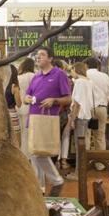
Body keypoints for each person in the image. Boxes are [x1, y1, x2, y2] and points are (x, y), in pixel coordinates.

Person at [24, 46, 71, 197]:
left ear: (50, 58)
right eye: (37, 55)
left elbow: (68, 99)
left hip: (47, 119)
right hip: (33, 119)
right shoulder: (36, 76)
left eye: (42, 55)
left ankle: (56, 180)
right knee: (33, 152)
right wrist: (27, 99)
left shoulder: (59, 74)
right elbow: (26, 96)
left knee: (40, 153)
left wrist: (54, 100)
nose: (38, 58)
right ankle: (40, 188)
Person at [64, 63, 93, 181]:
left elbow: (77, 103)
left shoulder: (80, 82)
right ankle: (80, 171)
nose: (71, 73)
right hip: (86, 116)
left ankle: (78, 173)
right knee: (82, 144)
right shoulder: (88, 81)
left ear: (76, 70)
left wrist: (72, 119)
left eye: (71, 70)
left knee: (79, 146)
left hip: (80, 117)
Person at [84, 57, 109, 166]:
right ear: (98, 65)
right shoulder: (105, 76)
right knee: (100, 136)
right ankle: (100, 164)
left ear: (86, 65)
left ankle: (85, 163)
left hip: (88, 108)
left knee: (85, 136)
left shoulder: (85, 75)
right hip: (102, 108)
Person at [17, 58, 35, 158]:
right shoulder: (34, 76)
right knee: (28, 135)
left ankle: (22, 156)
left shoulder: (18, 77)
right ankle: (28, 157)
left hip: (19, 107)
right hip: (30, 108)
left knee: (21, 135)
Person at [4, 65, 21, 147]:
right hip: (12, 114)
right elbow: (19, 104)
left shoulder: (0, 84)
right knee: (16, 142)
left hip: (1, 114)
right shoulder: (14, 86)